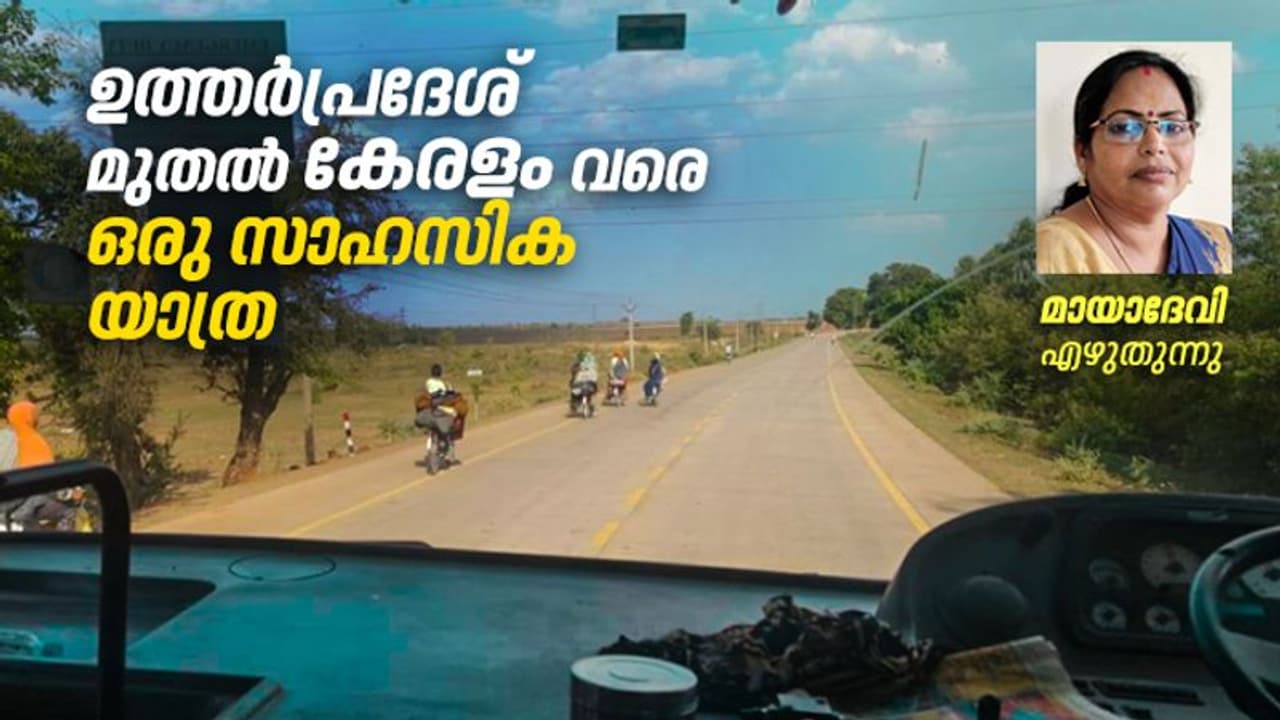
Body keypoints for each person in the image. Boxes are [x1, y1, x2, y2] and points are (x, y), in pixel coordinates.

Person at [1036, 50, 1231, 275]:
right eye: (1124, 127)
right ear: (1082, 152)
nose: (1155, 145)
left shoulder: (1218, 246)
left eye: (1174, 127)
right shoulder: (1052, 253)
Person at [418, 364, 465, 463]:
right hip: (440, 407)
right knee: (454, 415)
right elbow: (447, 394)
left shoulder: (428, 382)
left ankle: (441, 443)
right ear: (440, 373)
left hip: (432, 407)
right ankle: (448, 443)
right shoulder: (442, 383)